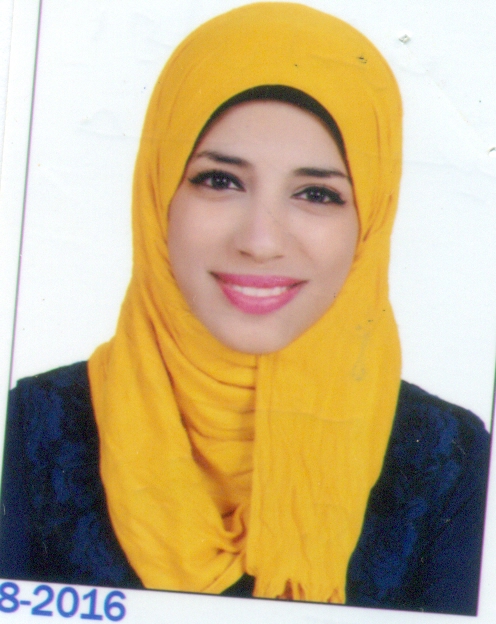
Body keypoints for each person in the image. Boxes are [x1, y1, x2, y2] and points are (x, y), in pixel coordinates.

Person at [0, 2, 489, 616]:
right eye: (220, 181)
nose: (260, 241)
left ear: (370, 222)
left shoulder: (451, 460)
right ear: (158, 191)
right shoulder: (29, 429)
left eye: (317, 193)